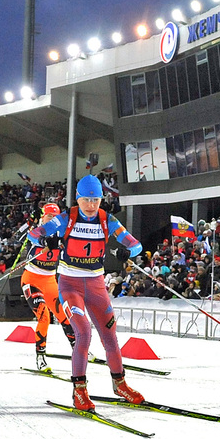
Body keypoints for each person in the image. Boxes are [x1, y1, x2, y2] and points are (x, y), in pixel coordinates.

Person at [40, 175, 144, 412]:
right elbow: (34, 235)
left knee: (110, 335)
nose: (91, 204)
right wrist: (49, 239)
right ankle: (79, 391)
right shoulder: (67, 218)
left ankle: (120, 384)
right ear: (78, 198)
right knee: (84, 332)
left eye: (95, 199)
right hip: (70, 285)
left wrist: (126, 252)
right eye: (86, 199)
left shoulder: (108, 220)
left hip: (96, 285)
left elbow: (135, 244)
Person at [20, 200, 77, 373]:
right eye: (48, 217)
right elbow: (28, 240)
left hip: (50, 280)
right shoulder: (35, 231)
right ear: (43, 218)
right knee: (44, 315)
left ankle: (78, 350)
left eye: (55, 217)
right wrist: (44, 241)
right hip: (31, 279)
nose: (51, 220)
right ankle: (40, 357)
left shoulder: (63, 234)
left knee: (64, 315)